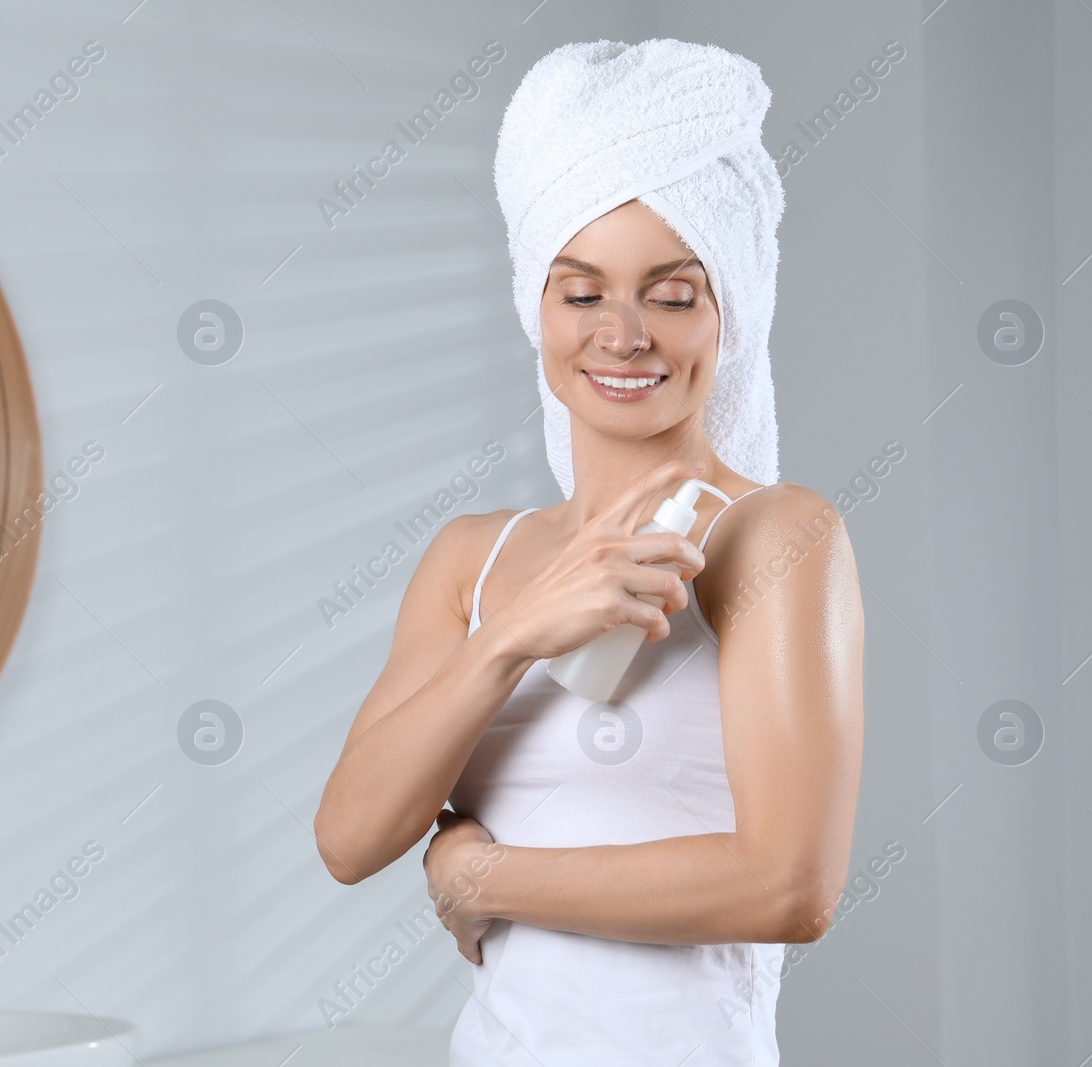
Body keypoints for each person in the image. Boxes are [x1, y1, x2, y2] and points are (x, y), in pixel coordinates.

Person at [315, 39, 863, 1066]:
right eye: (581, 292)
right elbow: (349, 836)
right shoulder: (470, 558)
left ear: (728, 307)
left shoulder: (772, 537)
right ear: (537, 306)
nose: (623, 334)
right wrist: (509, 638)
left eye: (670, 290)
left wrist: (482, 877)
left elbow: (790, 884)